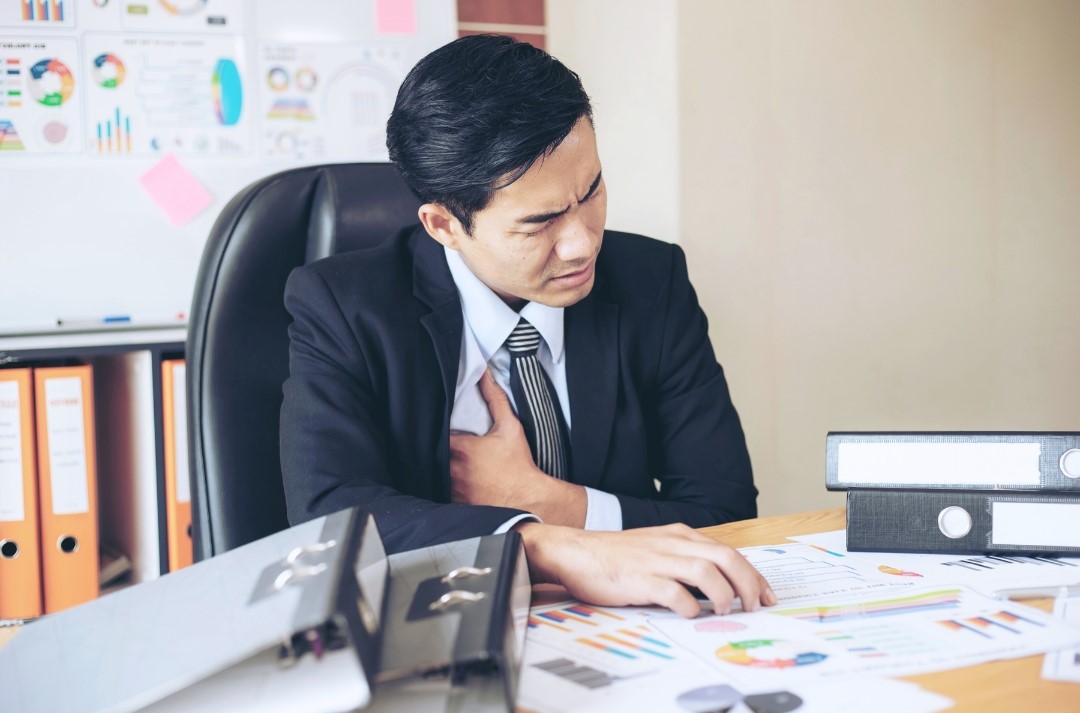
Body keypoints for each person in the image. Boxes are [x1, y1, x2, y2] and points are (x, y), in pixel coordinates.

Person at [280, 35, 774, 617]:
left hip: (636, 638)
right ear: (443, 224)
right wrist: (537, 541)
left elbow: (728, 511)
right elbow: (332, 521)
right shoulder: (343, 306)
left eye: (590, 191)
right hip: (439, 630)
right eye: (539, 222)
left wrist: (555, 503)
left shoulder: (651, 281)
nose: (583, 242)